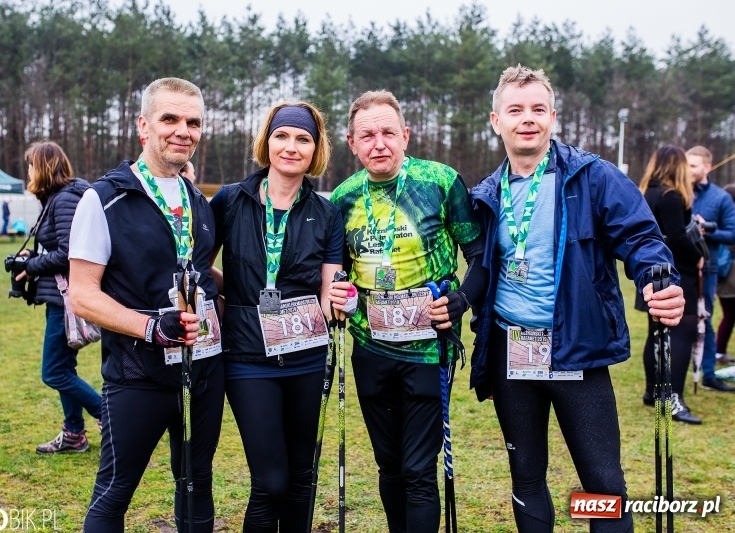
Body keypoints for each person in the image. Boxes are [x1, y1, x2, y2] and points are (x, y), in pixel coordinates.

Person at [469, 65, 685, 533]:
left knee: (602, 484)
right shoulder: (486, 194)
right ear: (496, 120)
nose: (528, 118)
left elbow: (642, 237)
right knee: (526, 477)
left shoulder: (593, 177)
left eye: (538, 109)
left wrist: (658, 279)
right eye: (516, 110)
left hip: (575, 351)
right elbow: (477, 264)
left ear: (553, 117)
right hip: (513, 354)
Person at [69, 77, 223, 532]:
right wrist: (150, 328)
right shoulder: (103, 199)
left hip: (203, 370)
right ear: (143, 125)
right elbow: (82, 294)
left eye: (193, 122)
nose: (183, 130)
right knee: (115, 492)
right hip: (139, 376)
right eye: (170, 118)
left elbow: (197, 272)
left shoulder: (198, 200)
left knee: (197, 484)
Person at [328, 90, 487, 532]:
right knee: (389, 465)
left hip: (427, 347)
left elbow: (479, 255)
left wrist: (461, 300)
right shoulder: (342, 198)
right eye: (367, 135)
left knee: (418, 470)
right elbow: (335, 273)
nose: (379, 143)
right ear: (352, 143)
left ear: (405, 136)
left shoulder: (440, 181)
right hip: (370, 346)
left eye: (387, 133)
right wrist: (338, 295)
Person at [209, 101, 343, 532]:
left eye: (303, 139)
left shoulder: (326, 213)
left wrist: (340, 300)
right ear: (266, 141)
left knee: (303, 478)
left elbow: (328, 291)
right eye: (282, 136)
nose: (291, 146)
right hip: (247, 359)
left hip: (306, 356)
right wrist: (237, 291)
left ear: (315, 149)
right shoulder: (231, 200)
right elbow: (196, 266)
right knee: (270, 482)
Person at [13, 141, 102, 453]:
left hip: (64, 299)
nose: (28, 172)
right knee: (64, 368)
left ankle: (109, 416)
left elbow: (69, 253)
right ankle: (74, 434)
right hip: (58, 297)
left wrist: (31, 265)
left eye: (30, 165)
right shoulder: (56, 199)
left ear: (43, 167)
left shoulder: (64, 200)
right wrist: (31, 257)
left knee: (53, 371)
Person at [636, 146, 704, 424]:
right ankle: (671, 397)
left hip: (652, 272)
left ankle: (654, 391)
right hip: (676, 273)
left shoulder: (646, 193)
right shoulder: (671, 196)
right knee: (681, 333)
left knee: (656, 332)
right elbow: (676, 236)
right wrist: (698, 256)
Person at [688, 145, 735, 390]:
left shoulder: (720, 197)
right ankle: (675, 373)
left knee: (704, 319)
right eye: (686, 164)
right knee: (682, 321)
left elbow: (732, 232)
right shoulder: (678, 192)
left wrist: (709, 228)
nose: (688, 170)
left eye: (693, 165)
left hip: (707, 270)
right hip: (680, 269)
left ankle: (707, 373)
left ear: (707, 167)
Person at [715, 184, 735, 362]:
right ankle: (719, 351)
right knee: (730, 314)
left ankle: (718, 350)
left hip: (724, 273)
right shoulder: (727, 224)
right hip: (728, 275)